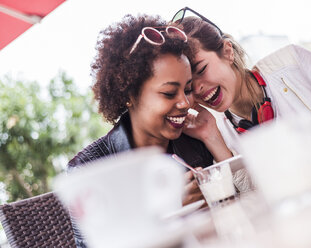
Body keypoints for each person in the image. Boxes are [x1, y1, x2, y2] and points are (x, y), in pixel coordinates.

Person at [67, 14, 232, 247]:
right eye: (168, 93)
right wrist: (164, 216)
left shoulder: (193, 145)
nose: (185, 103)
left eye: (187, 89)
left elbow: (234, 220)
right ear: (129, 95)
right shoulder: (89, 170)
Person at [171, 7, 311, 163]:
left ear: (227, 52)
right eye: (189, 86)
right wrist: (212, 137)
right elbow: (251, 199)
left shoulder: (292, 61)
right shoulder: (222, 129)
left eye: (201, 69)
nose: (197, 89)